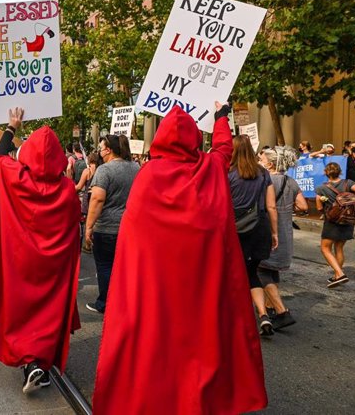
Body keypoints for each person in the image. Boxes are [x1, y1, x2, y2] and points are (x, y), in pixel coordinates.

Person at [93, 104, 268, 415]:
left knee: (160, 349)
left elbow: (135, 242)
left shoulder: (149, 175)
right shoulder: (211, 167)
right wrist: (220, 118)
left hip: (159, 287)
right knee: (200, 347)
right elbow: (223, 148)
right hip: (201, 285)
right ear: (193, 140)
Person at [0, 108, 81, 394]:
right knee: (47, 312)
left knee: (21, 311)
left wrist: (12, 126)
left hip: (20, 259)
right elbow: (74, 224)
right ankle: (39, 363)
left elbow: (1, 154)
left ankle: (30, 362)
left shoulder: (15, 177)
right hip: (52, 265)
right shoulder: (68, 190)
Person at [230, 134, 279, 335]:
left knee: (231, 274)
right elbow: (271, 206)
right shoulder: (263, 173)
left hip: (234, 231)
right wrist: (275, 232)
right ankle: (262, 314)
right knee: (252, 273)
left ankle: (235, 318)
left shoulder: (228, 174)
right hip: (259, 228)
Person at [84, 134, 139, 313]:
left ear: (108, 150)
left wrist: (89, 226)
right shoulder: (135, 167)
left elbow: (97, 199)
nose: (99, 152)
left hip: (106, 227)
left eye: (101, 148)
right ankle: (126, 301)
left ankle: (105, 303)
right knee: (125, 267)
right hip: (129, 227)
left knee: (105, 266)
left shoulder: (104, 170)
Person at [258, 147, 308, 330]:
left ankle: (281, 311)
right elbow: (302, 206)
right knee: (272, 271)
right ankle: (270, 307)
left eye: (261, 158)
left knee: (260, 271)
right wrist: (287, 209)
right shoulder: (291, 181)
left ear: (270, 164)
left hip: (269, 232)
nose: (259, 160)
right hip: (286, 234)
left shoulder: (266, 180)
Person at [315, 162, 355, 287]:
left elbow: (318, 207)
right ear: (340, 171)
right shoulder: (348, 183)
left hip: (332, 221)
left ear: (325, 173)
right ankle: (336, 276)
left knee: (325, 248)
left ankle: (339, 274)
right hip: (348, 220)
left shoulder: (321, 188)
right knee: (339, 248)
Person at [75, 152, 98, 253]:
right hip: (97, 196)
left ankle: (87, 244)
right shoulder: (101, 170)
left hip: (88, 197)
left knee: (87, 220)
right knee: (95, 219)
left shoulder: (87, 171)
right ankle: (93, 240)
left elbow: (79, 186)